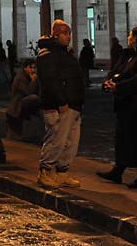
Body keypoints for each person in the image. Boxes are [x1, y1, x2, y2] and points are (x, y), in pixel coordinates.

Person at [97, 26, 137, 191]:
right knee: (123, 138)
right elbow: (115, 71)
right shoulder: (127, 54)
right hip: (125, 105)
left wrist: (118, 87)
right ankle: (119, 169)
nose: (128, 37)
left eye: (131, 35)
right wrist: (108, 83)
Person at [36, 19, 84, 189]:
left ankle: (62, 172)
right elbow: (50, 80)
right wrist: (61, 101)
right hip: (59, 106)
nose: (68, 36)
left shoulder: (64, 53)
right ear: (55, 35)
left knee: (70, 142)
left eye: (69, 33)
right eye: (65, 33)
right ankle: (45, 172)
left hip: (73, 105)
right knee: (56, 139)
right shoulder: (47, 54)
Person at [6, 58, 40, 135]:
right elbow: (28, 92)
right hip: (18, 104)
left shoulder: (31, 77)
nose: (33, 70)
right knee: (33, 98)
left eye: (34, 68)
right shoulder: (20, 78)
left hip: (25, 103)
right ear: (25, 68)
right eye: (30, 68)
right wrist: (33, 81)